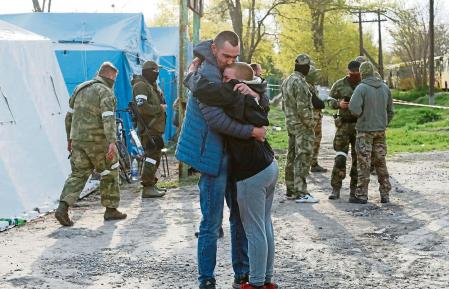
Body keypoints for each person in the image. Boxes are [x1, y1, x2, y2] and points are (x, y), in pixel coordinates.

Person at [176, 31, 266, 289]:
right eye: (226, 55)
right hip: (212, 157)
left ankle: (242, 273)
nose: (230, 61)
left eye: (235, 56)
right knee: (211, 222)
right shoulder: (203, 74)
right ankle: (206, 278)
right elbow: (216, 120)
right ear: (214, 49)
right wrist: (251, 131)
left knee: (238, 217)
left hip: (236, 157)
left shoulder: (226, 69)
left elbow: (257, 93)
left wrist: (255, 95)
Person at [188, 62, 279, 289]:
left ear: (240, 83)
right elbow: (261, 108)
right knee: (265, 225)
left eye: (228, 79)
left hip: (252, 171)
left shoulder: (234, 95)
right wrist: (257, 91)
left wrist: (190, 74)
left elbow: (206, 92)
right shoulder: (250, 96)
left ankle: (256, 283)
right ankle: (266, 279)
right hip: (268, 164)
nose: (224, 82)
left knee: (255, 229)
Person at [55, 62, 127, 226]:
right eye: (114, 78)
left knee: (78, 174)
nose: (114, 81)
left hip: (78, 140)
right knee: (110, 171)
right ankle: (110, 210)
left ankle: (62, 207)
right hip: (97, 141)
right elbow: (108, 117)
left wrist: (69, 139)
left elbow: (69, 116)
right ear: (110, 75)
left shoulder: (80, 88)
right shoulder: (105, 91)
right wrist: (112, 142)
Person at [349, 61, 394, 204]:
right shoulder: (385, 88)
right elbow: (391, 111)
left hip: (364, 131)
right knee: (380, 161)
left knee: (364, 162)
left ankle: (362, 195)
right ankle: (385, 194)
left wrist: (362, 115)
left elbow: (354, 108)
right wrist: (383, 123)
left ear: (362, 73)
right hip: (380, 131)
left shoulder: (361, 88)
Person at [281, 54, 319, 203]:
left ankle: (290, 189)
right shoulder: (301, 83)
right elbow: (303, 108)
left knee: (291, 156)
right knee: (302, 157)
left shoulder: (287, 80)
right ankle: (301, 192)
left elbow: (284, 105)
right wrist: (311, 124)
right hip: (302, 126)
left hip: (291, 124)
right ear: (306, 67)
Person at [132, 60, 166, 198]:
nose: (157, 74)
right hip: (148, 128)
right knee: (151, 156)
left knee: (155, 156)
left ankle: (151, 183)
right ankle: (147, 186)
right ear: (149, 72)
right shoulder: (140, 86)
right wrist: (160, 108)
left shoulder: (151, 85)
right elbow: (142, 107)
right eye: (156, 71)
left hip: (155, 128)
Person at [328, 60, 361, 200]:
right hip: (343, 125)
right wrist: (338, 104)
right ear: (348, 71)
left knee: (358, 160)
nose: (355, 76)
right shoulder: (339, 84)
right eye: (353, 73)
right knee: (340, 157)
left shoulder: (364, 84)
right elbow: (329, 100)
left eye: (357, 73)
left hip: (360, 126)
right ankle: (336, 188)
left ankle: (354, 190)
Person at [305, 65, 327, 173]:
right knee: (311, 141)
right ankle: (307, 164)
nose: (316, 76)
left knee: (316, 141)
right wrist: (322, 103)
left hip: (316, 117)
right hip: (311, 118)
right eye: (314, 74)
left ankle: (313, 163)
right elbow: (317, 103)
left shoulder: (312, 85)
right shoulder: (306, 86)